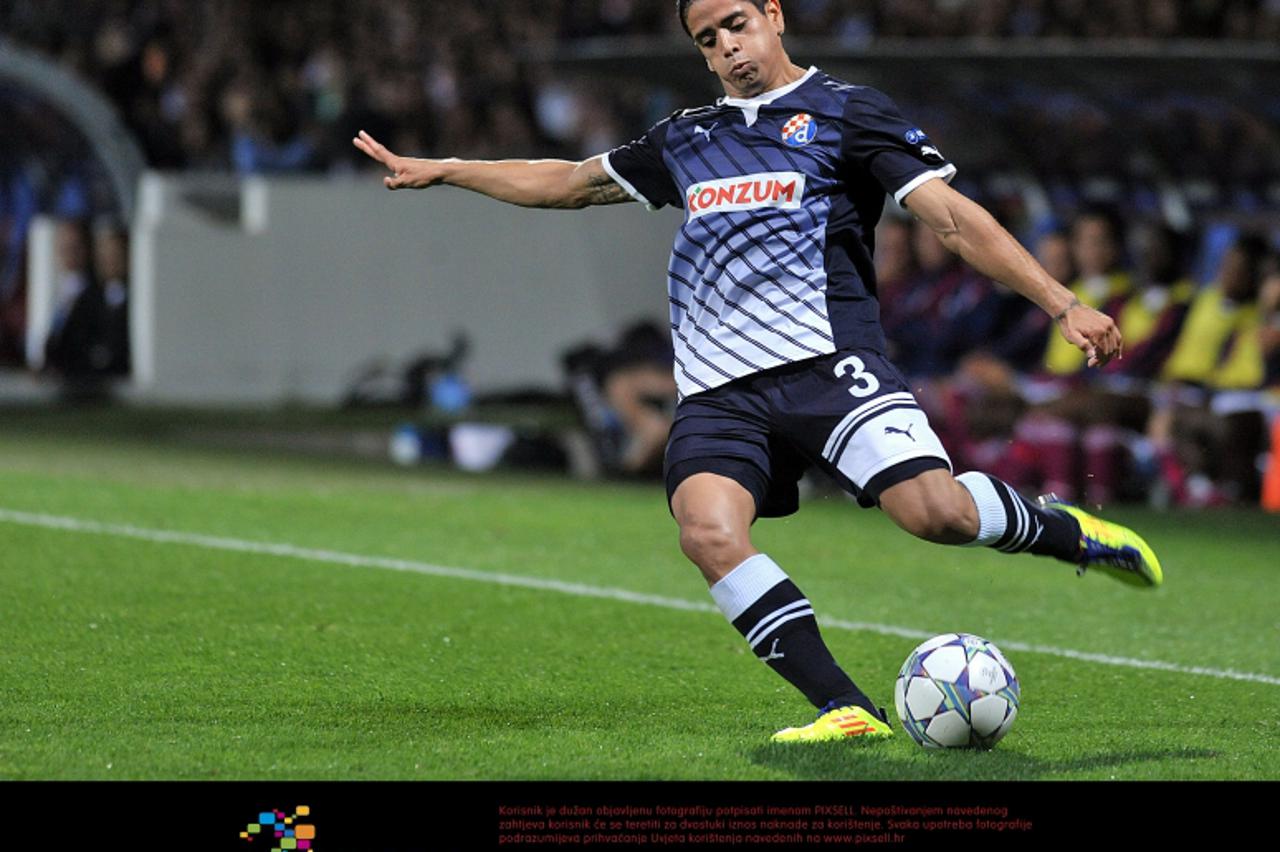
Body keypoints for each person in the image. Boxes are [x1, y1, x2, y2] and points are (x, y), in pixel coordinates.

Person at [353, 0, 1162, 744]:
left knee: (936, 516)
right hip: (718, 391)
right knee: (706, 531)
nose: (727, 46)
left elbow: (950, 219)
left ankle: (1071, 532)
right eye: (707, 39)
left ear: (774, 15)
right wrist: (450, 168)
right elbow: (568, 182)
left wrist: (1062, 304)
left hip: (827, 364)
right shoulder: (686, 137)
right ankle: (844, 708)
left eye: (736, 23)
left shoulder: (850, 112)